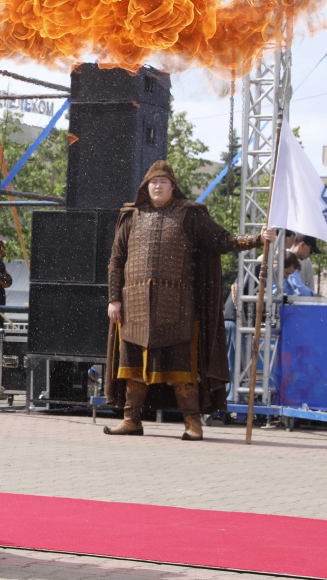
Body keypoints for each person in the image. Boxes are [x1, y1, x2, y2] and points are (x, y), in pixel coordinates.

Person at [104, 161, 276, 441]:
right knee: (133, 368)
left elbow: (222, 240)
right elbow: (116, 261)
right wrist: (114, 299)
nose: (158, 186)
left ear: (173, 186)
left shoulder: (190, 215)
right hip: (133, 306)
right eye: (153, 183)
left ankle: (192, 423)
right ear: (146, 187)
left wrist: (257, 238)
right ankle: (131, 419)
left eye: (163, 182)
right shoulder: (130, 216)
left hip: (177, 307)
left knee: (182, 369)